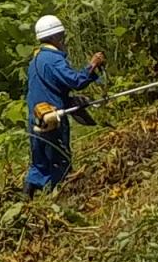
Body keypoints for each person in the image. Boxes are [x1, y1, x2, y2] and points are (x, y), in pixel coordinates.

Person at [25, 14, 106, 196]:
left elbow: (44, 89)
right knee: (60, 161)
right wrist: (92, 66)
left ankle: (26, 200)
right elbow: (75, 81)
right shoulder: (53, 59)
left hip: (36, 118)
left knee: (39, 163)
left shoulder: (35, 60)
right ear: (55, 37)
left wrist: (70, 100)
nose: (64, 40)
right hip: (53, 119)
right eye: (61, 36)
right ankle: (61, 201)